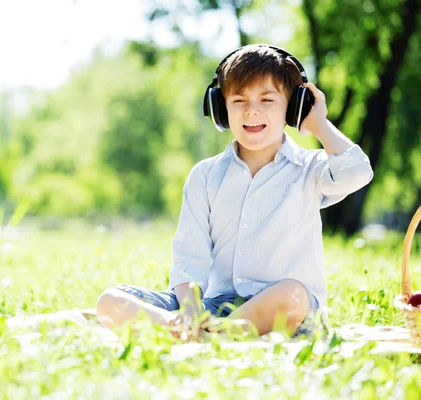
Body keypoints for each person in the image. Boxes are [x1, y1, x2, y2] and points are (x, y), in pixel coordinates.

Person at [95, 44, 374, 340]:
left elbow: (357, 173)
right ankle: (202, 332)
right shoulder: (205, 176)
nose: (252, 110)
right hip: (217, 307)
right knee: (112, 300)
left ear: (294, 107)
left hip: (286, 310)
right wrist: (190, 309)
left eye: (267, 99)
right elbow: (191, 258)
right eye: (239, 100)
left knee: (292, 294)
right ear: (220, 109)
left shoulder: (310, 169)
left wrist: (318, 124)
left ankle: (206, 336)